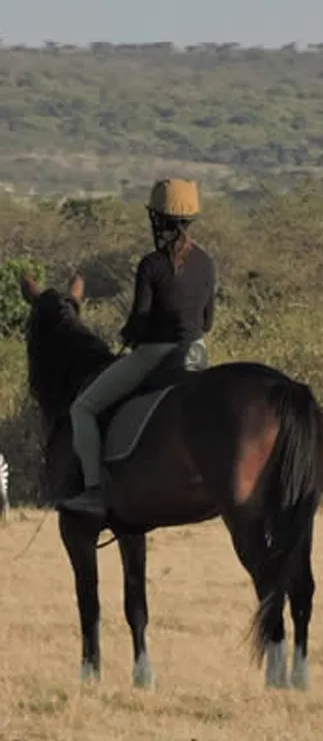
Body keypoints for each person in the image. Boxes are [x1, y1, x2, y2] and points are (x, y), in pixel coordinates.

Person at [60, 178, 216, 517]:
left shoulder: (152, 264)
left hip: (156, 354)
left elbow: (141, 321)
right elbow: (207, 322)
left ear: (157, 218)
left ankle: (93, 490)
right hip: (197, 353)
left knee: (83, 408)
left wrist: (127, 335)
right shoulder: (206, 262)